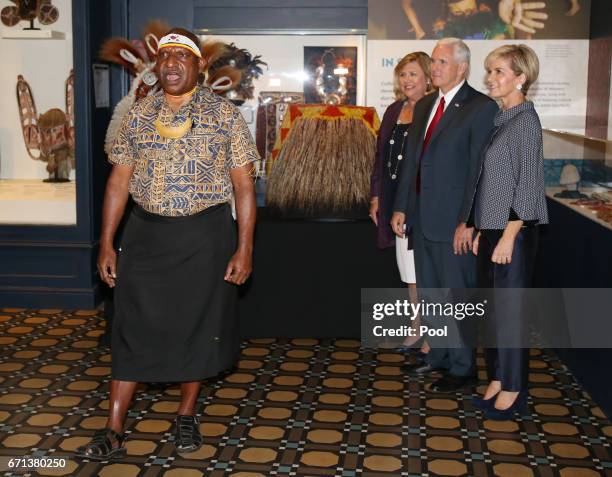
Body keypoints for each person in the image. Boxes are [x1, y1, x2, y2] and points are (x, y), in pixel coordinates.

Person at [76, 28, 259, 460]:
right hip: (144, 236)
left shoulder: (225, 116)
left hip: (205, 237)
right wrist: (105, 243)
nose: (172, 63)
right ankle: (114, 426)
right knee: (130, 327)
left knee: (195, 328)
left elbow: (244, 188)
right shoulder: (138, 115)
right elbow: (118, 181)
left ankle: (186, 414)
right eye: (166, 56)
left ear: (199, 66)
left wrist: (245, 247)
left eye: (182, 56)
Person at [391, 38, 498, 393]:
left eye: (441, 62)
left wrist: (468, 221)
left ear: (462, 68)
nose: (434, 68)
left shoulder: (480, 108)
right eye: (433, 62)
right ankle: (439, 356)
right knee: (432, 293)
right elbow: (412, 163)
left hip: (455, 223)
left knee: (457, 295)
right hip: (420, 219)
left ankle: (464, 368)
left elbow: (478, 171)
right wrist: (402, 206)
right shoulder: (424, 106)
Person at [471, 44, 548, 420]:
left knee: (511, 314)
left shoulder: (526, 122)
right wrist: (477, 227)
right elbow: (488, 181)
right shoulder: (502, 118)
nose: (491, 78)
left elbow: (528, 186)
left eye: (499, 72)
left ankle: (515, 389)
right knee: (492, 313)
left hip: (512, 234)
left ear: (521, 78)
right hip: (492, 230)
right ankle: (499, 377)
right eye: (490, 71)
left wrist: (507, 236)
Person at [369, 52, 432, 356]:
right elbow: (381, 158)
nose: (407, 80)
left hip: (422, 204)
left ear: (428, 78)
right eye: (403, 74)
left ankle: (433, 336)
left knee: (427, 272)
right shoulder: (394, 110)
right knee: (409, 272)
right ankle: (416, 328)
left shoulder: (434, 111)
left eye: (413, 74)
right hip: (395, 200)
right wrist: (378, 196)